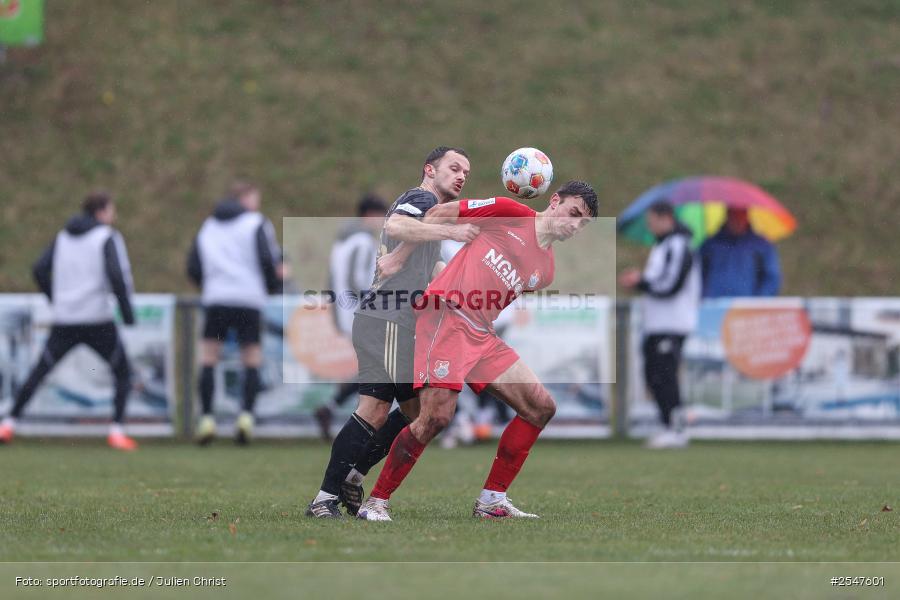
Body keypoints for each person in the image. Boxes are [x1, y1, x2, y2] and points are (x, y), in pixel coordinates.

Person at [356, 181, 599, 522]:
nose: (574, 225)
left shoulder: (545, 270)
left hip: (481, 334)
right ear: (555, 201)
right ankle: (375, 502)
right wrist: (403, 254)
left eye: (583, 223)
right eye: (574, 213)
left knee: (540, 407)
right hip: (447, 315)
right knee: (435, 418)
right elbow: (439, 212)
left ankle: (492, 501)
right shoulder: (510, 211)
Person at [305, 146, 480, 519]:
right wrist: (452, 230)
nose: (461, 176)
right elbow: (396, 225)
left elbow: (430, 268)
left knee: (416, 411)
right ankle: (324, 498)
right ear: (429, 170)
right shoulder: (420, 199)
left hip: (402, 323)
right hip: (384, 318)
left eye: (466, 171)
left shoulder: (430, 216)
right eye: (453, 168)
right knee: (373, 409)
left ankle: (353, 476)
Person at [0, 192, 138, 451]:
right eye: (111, 210)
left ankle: (8, 423)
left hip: (66, 319)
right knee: (122, 372)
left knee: (40, 371)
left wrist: (57, 299)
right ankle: (117, 431)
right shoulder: (107, 237)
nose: (114, 216)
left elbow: (39, 269)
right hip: (97, 319)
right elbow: (117, 276)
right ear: (101, 212)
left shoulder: (62, 237)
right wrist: (127, 312)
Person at [186, 181, 285, 446]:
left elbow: (193, 265)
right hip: (248, 299)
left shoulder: (208, 225)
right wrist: (272, 286)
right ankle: (245, 418)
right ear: (245, 198)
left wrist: (211, 287)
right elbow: (268, 261)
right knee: (251, 358)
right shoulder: (256, 223)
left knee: (208, 358)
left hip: (217, 299)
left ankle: (206, 419)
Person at [619, 201, 699, 449]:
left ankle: (677, 429)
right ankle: (667, 425)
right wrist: (641, 280)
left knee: (666, 377)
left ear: (666, 218)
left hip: (673, 323)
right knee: (653, 376)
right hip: (656, 323)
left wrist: (641, 282)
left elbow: (671, 285)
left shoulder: (679, 245)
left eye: (652, 221)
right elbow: (659, 280)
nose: (650, 226)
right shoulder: (663, 246)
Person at [314, 194, 388, 440]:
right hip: (360, 312)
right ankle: (360, 422)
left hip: (345, 312)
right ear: (369, 215)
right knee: (382, 368)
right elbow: (360, 281)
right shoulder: (363, 242)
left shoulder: (342, 241)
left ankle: (333, 409)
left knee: (376, 368)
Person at [699, 206, 781, 298]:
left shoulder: (761, 246)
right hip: (713, 306)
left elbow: (771, 279)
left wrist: (759, 302)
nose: (736, 220)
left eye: (740, 215)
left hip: (746, 307)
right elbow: (698, 274)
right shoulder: (710, 245)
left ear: (746, 216)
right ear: (727, 215)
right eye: (733, 215)